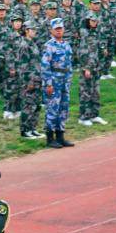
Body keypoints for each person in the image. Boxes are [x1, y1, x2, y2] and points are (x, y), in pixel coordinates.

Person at [41, 18, 74, 148]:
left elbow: (70, 63)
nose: (59, 31)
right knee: (52, 108)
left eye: (61, 28)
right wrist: (48, 83)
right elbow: (45, 65)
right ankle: (50, 138)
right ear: (51, 30)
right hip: (54, 81)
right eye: (57, 29)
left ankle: (60, 136)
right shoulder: (49, 45)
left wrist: (69, 79)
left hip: (65, 80)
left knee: (63, 108)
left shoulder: (66, 44)